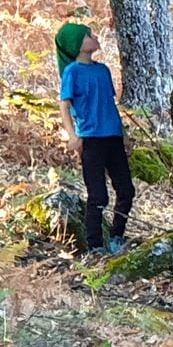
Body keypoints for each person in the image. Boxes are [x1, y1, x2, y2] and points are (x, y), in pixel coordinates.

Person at [55, 22, 135, 255]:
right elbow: (64, 104)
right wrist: (73, 136)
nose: (94, 36)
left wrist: (124, 135)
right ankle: (95, 246)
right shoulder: (72, 72)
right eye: (88, 35)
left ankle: (117, 236)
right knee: (98, 195)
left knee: (126, 190)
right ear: (77, 45)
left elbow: (110, 105)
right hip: (91, 139)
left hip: (113, 137)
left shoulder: (103, 71)